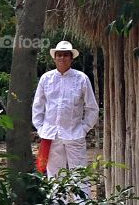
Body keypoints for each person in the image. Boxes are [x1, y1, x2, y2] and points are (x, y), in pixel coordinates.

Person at [31, 40, 99, 177]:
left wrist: (84, 128)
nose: (62, 58)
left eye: (66, 55)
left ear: (71, 58)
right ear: (54, 57)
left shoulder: (81, 79)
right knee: (54, 176)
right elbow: (38, 106)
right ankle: (56, 200)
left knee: (79, 175)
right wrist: (41, 128)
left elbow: (92, 107)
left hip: (74, 134)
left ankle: (82, 200)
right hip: (51, 135)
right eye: (59, 55)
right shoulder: (46, 79)